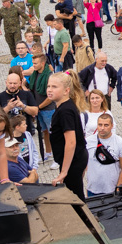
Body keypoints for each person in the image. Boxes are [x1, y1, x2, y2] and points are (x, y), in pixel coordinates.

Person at [46, 70, 88, 200]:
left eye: (54, 87)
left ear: (66, 91)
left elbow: (71, 142)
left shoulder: (65, 111)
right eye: (48, 86)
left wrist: (64, 171)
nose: (49, 90)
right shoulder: (64, 106)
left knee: (75, 197)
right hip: (74, 159)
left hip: (73, 161)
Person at [87, 113, 122, 196]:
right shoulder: (88, 142)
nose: (102, 128)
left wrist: (119, 187)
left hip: (112, 190)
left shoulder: (120, 142)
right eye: (100, 125)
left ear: (112, 126)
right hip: (92, 189)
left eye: (106, 125)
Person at [29, 53, 56, 167]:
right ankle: (48, 153)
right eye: (33, 63)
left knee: (53, 133)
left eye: (35, 63)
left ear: (43, 63)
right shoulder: (34, 74)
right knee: (44, 132)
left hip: (48, 110)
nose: (33, 65)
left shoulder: (50, 76)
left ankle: (57, 157)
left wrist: (38, 107)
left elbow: (51, 97)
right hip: (38, 109)